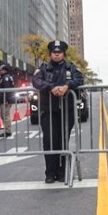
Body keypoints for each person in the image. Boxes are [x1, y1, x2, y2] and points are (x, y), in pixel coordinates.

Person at [32, 40, 84, 183]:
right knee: (49, 141)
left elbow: (80, 79)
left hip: (66, 111)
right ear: (50, 54)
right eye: (54, 53)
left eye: (59, 53)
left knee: (63, 142)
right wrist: (51, 87)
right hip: (48, 111)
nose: (57, 55)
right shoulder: (43, 68)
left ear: (63, 54)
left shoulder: (71, 68)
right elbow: (36, 81)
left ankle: (62, 173)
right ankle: (50, 173)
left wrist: (67, 86)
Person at [0, 64, 15, 138]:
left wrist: (6, 100)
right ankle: (7, 130)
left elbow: (7, 90)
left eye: (1, 70)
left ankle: (8, 131)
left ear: (4, 70)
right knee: (3, 115)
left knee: (5, 115)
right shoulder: (5, 77)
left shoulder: (6, 78)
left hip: (5, 100)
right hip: (3, 100)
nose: (0, 71)